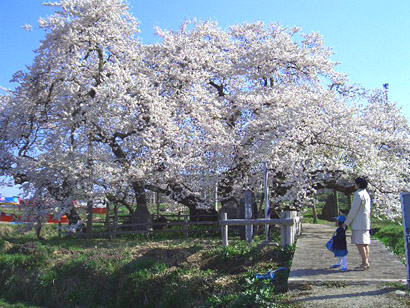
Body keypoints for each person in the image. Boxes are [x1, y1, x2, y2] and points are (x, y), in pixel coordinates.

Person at [344, 176, 371, 270]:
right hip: (365, 221)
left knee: (360, 243)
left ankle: (365, 263)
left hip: (358, 222)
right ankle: (365, 261)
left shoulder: (358, 194)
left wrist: (346, 222)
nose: (354, 185)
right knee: (365, 243)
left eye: (355, 183)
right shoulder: (366, 194)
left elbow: (354, 210)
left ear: (358, 184)